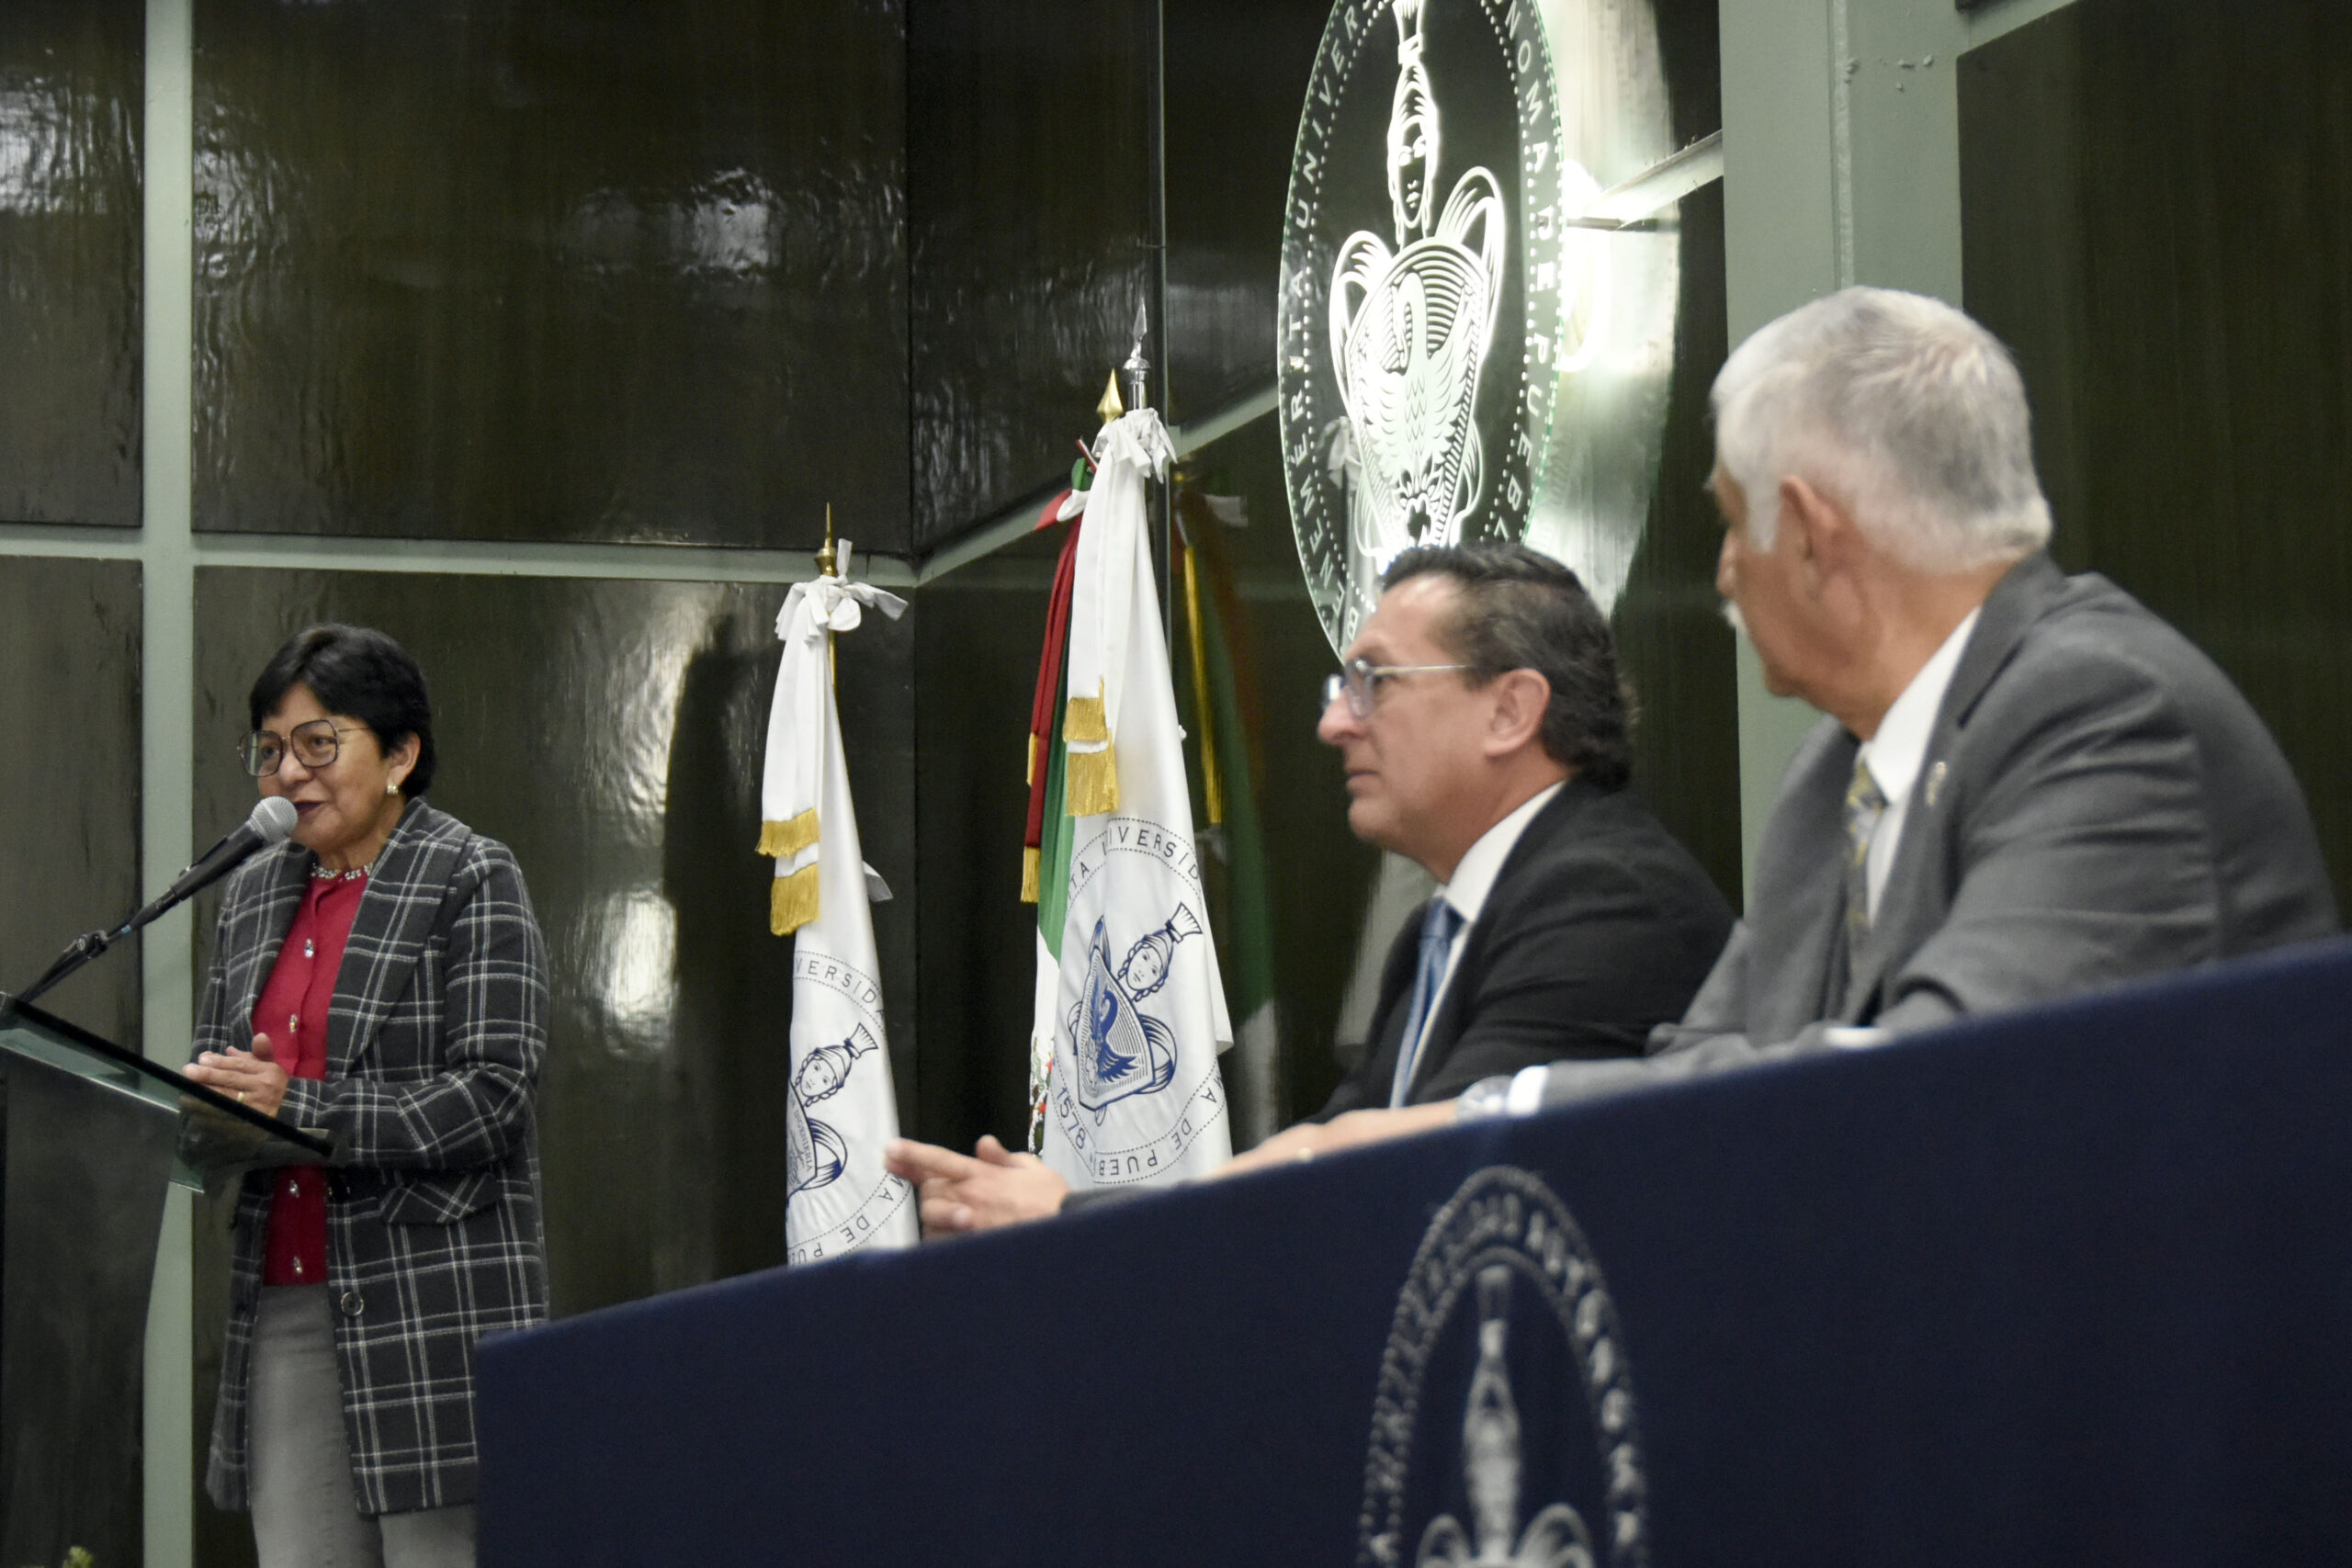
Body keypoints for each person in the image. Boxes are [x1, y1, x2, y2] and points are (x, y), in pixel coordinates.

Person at [1252, 285, 2339, 1155]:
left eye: (1732, 524)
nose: (1724, 572)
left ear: (1812, 535)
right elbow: (1694, 1071)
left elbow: (1944, 1079)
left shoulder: (2101, 712)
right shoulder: (1835, 771)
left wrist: (1484, 1114)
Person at [886, 544, 1735, 1228]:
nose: (1333, 723)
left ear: (1510, 710)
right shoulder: (1443, 928)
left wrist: (1076, 1216)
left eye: (1374, 682)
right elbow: (1327, 1146)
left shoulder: (1607, 901)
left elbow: (1412, 1184)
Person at [184, 625, 549, 1568]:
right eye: (271, 749)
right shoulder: (251, 894)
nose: (287, 772)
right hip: (286, 1302)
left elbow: (493, 1096)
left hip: (433, 1306)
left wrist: (298, 1108)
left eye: (318, 742)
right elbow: (227, 1075)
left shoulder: (470, 874)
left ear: (399, 754)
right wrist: (193, 1111)